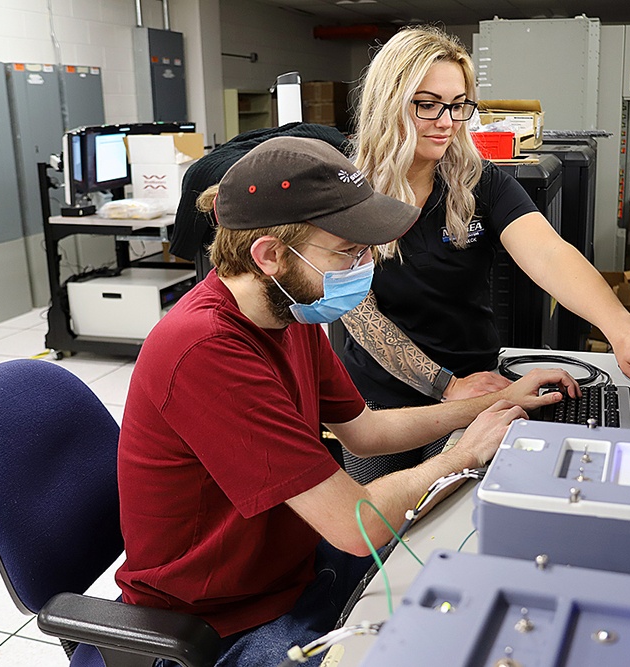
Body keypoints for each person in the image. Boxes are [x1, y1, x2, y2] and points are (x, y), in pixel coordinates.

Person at [115, 136, 577, 667]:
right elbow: (356, 526)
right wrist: (463, 456)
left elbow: (367, 431)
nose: (364, 266)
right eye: (348, 251)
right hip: (216, 622)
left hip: (291, 572)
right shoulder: (206, 350)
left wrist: (487, 404)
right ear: (269, 256)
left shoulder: (290, 310)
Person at [339, 26, 630, 483]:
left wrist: (621, 329)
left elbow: (548, 252)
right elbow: (358, 314)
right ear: (389, 103)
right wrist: (446, 386)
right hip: (381, 402)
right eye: (426, 104)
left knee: (451, 518)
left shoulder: (481, 182)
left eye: (458, 105)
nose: (446, 121)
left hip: (473, 387)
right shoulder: (347, 191)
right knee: (382, 534)